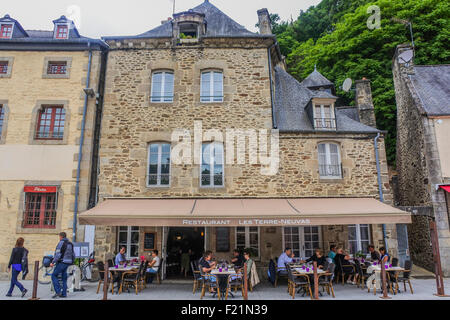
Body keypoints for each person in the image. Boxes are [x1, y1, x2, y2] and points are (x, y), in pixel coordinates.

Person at [50, 232, 75, 299]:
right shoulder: (71, 244)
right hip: (69, 263)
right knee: (64, 279)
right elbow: (73, 255)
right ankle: (64, 294)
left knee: (54, 275)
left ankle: (58, 291)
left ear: (61, 236)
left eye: (59, 237)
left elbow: (58, 254)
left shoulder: (61, 243)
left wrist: (53, 262)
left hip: (62, 262)